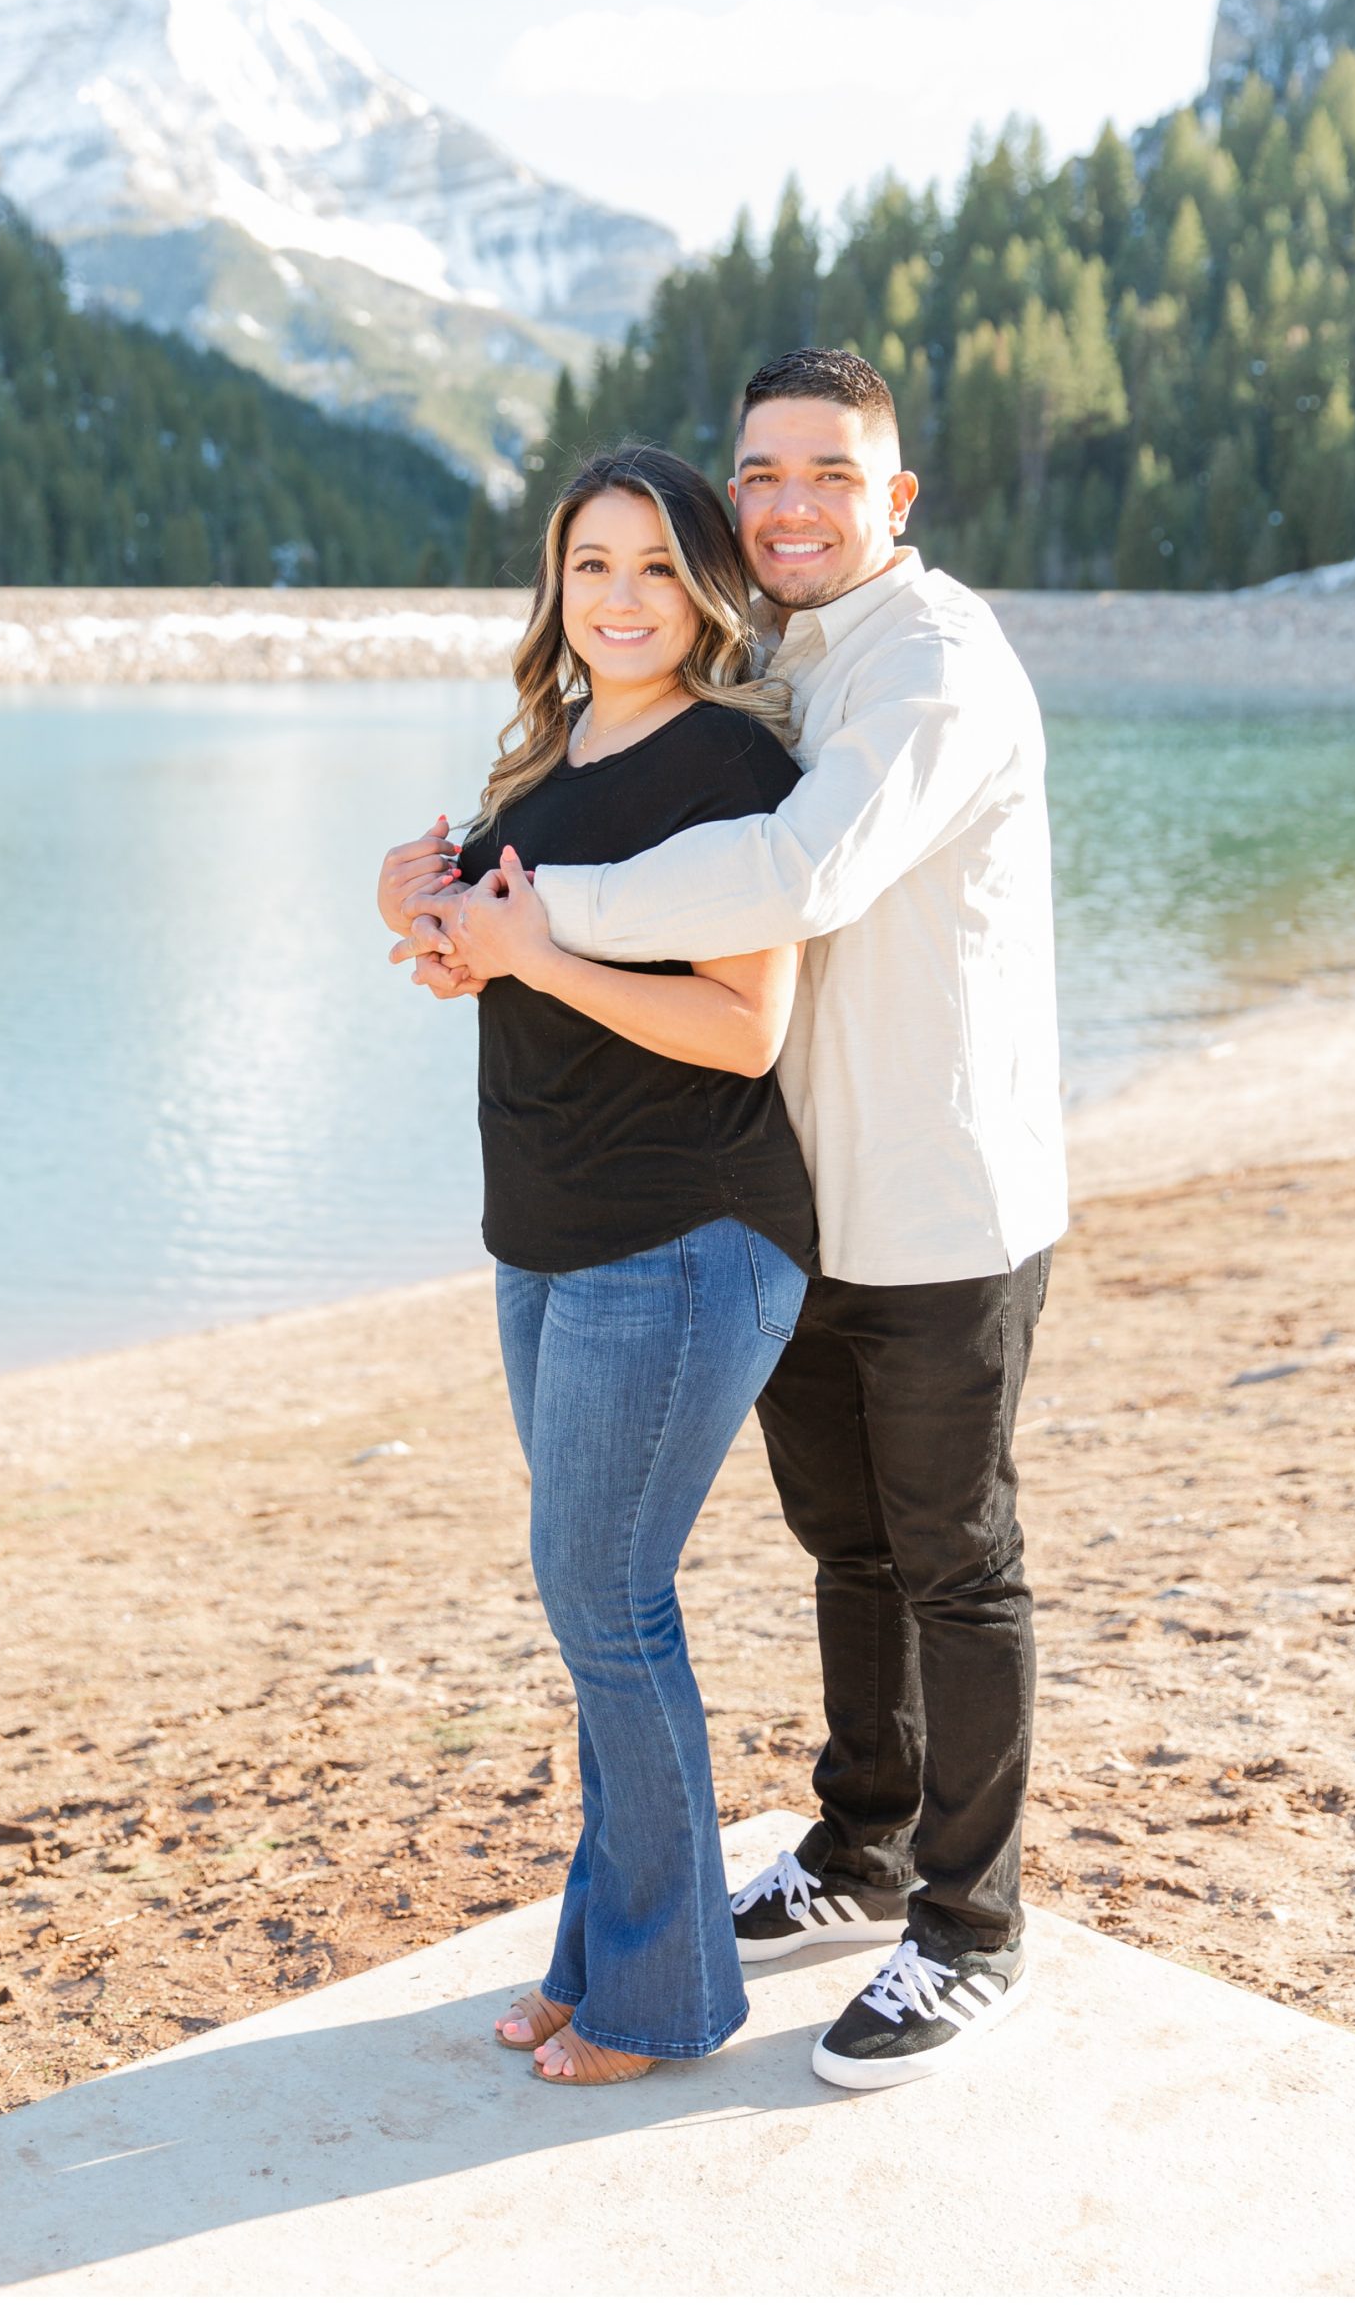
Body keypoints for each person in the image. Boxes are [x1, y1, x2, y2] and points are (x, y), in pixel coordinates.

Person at [390, 348, 1066, 2090]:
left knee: (954, 1563)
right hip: (808, 1195)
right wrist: (458, 901)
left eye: (827, 474)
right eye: (759, 473)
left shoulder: (932, 668)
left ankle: (968, 1932)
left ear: (893, 498)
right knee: (846, 1554)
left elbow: (789, 880)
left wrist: (532, 923)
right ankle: (856, 1852)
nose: (785, 504)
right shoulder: (772, 660)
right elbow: (602, 800)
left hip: (938, 1195)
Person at [378, 442, 817, 2087]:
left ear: (703, 587)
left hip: (688, 1232)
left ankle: (659, 1996)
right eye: (590, 568)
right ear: (556, 591)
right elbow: (493, 949)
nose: (619, 599)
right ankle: (600, 1955)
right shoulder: (551, 750)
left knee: (609, 1601)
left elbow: (742, 1021)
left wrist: (533, 954)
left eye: (652, 567)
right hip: (549, 1235)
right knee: (592, 1608)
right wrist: (420, 911)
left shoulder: (726, 767)